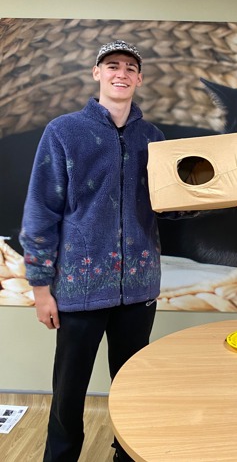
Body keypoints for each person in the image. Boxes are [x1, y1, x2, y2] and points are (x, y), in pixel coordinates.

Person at [19, 39, 165, 461]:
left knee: (132, 387)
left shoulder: (152, 137)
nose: (121, 73)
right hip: (78, 291)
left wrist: (215, 197)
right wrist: (41, 288)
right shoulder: (64, 131)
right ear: (97, 73)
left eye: (130, 67)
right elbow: (40, 211)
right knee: (68, 394)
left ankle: (128, 455)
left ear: (139, 78)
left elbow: (167, 208)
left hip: (138, 292)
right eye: (112, 65)